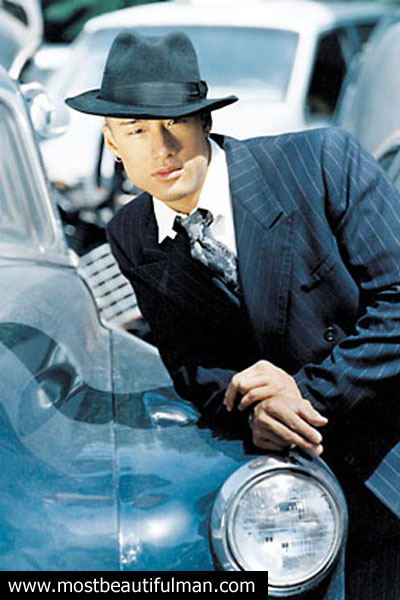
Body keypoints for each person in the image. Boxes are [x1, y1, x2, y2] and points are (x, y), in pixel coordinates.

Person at [66, 30, 400, 598]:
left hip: (388, 460)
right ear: (112, 141)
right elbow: (194, 368)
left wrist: (303, 395)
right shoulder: (132, 234)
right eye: (137, 130)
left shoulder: (321, 160)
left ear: (205, 120)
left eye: (175, 122)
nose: (161, 149)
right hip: (283, 510)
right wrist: (249, 409)